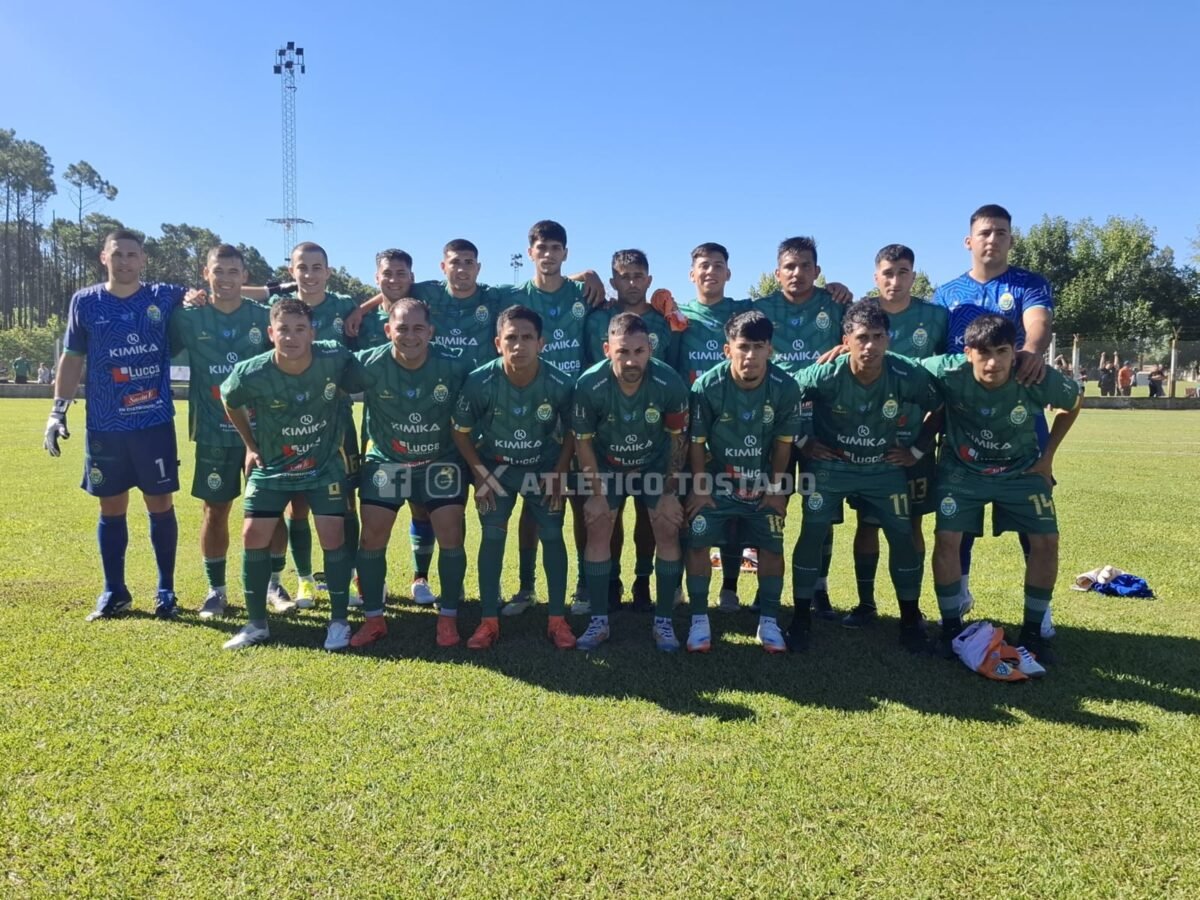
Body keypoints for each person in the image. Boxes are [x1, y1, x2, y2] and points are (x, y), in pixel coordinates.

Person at [43, 229, 188, 620]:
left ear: (143, 260)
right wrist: (58, 410)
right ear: (103, 257)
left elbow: (222, 286)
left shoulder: (163, 295)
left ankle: (166, 591)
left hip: (153, 420)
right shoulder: (85, 302)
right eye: (118, 254)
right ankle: (114, 591)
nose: (125, 261)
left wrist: (279, 285)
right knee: (111, 506)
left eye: (132, 255)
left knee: (160, 503)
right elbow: (73, 358)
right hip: (105, 424)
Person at [922, 315, 1081, 664]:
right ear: (967, 353)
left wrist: (1048, 456)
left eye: (1002, 352)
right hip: (961, 470)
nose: (992, 362)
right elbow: (896, 364)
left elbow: (1074, 402)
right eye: (983, 353)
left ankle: (1033, 632)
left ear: (1014, 353)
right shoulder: (947, 370)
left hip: (1022, 471)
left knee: (1046, 541)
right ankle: (950, 628)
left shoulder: (1033, 374)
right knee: (947, 538)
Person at [788, 300, 939, 653]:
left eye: (877, 337)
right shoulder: (825, 373)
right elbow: (783, 398)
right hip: (831, 467)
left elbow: (943, 404)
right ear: (846, 339)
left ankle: (909, 620)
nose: (869, 345)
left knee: (903, 537)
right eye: (861, 337)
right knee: (811, 531)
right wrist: (803, 441)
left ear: (888, 339)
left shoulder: (905, 373)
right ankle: (799, 618)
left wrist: (916, 450)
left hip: (882, 468)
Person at [219, 299, 367, 650]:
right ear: (271, 333)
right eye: (283, 329)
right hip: (273, 467)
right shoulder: (250, 371)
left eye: (300, 329)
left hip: (322, 466)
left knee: (333, 535)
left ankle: (339, 621)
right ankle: (256, 624)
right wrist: (251, 446)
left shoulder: (332, 356)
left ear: (312, 333)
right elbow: (230, 400)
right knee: (253, 534)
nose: (291, 336)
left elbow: (363, 370)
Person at [932, 204, 1055, 628]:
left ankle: (1041, 613)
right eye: (985, 232)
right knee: (956, 514)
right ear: (969, 240)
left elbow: (1037, 324)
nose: (993, 239)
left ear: (1010, 239)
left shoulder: (1027, 284)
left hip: (1019, 415)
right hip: (962, 418)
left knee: (1033, 511)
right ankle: (959, 592)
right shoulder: (947, 295)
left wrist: (1031, 353)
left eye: (1001, 233)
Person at [168, 244, 291, 618]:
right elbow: (161, 350)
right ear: (206, 275)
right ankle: (216, 591)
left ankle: (274, 585)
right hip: (213, 431)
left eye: (233, 272)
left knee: (271, 509)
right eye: (218, 272)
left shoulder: (263, 316)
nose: (225, 279)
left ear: (245, 277)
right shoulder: (189, 318)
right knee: (216, 509)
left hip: (264, 431)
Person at [451, 305, 577, 650]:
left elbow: (573, 431)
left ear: (542, 343)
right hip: (496, 469)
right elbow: (460, 433)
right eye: (511, 338)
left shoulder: (560, 383)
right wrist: (480, 475)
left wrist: (560, 471)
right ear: (497, 343)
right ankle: (488, 621)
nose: (518, 345)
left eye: (526, 338)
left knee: (553, 535)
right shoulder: (480, 381)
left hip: (542, 468)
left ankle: (557, 620)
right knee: (492, 538)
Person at [350, 298, 471, 648]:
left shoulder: (455, 366)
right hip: (387, 461)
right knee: (372, 537)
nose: (410, 335)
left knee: (451, 533)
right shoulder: (367, 364)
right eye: (401, 327)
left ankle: (447, 617)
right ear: (388, 329)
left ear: (431, 332)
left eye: (418, 328)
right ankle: (374, 619)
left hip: (439, 461)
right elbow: (321, 367)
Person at [684, 309, 802, 654]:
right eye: (743, 346)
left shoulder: (784, 387)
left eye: (759, 347)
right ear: (728, 349)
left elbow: (784, 445)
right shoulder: (707, 386)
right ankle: (698, 619)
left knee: (772, 543)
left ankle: (768, 620)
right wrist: (701, 487)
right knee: (698, 537)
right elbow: (696, 443)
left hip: (762, 483)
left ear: (770, 350)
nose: (750, 355)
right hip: (717, 485)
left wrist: (777, 490)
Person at [572, 312, 690, 650]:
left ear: (649, 350)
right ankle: (598, 621)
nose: (631, 360)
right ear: (608, 349)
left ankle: (664, 622)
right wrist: (596, 494)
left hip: (654, 464)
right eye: (623, 351)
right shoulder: (588, 385)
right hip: (607, 466)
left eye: (639, 351)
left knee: (667, 525)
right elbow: (583, 442)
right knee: (597, 524)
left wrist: (669, 493)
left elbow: (678, 440)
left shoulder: (670, 383)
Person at [846, 245, 949, 629]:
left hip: (914, 441)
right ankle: (865, 603)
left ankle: (912, 606)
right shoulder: (860, 313)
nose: (895, 280)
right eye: (887, 273)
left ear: (913, 275)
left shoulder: (935, 317)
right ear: (876, 277)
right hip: (868, 443)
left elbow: (947, 385)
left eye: (902, 272)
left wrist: (921, 444)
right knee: (867, 524)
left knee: (912, 526)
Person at [752, 237, 849, 619]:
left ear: (817, 271)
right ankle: (765, 589)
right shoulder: (759, 310)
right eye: (789, 267)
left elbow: (856, 339)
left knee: (818, 511)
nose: (797, 273)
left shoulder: (835, 305)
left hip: (822, 427)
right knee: (766, 506)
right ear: (777, 273)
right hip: (768, 425)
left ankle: (817, 589)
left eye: (805, 265)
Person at [578, 249, 678, 614]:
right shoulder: (597, 317)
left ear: (649, 280)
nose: (632, 282)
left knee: (654, 518)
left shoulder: (666, 319)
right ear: (613, 280)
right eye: (624, 276)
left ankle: (643, 580)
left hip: (653, 432)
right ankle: (610, 581)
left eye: (638, 275)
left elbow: (676, 367)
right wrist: (582, 274)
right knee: (605, 515)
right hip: (607, 431)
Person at [272, 242, 364, 609]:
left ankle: (355, 577)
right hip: (292, 425)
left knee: (347, 502)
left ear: (328, 271)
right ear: (291, 272)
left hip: (338, 422)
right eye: (302, 267)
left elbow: (383, 299)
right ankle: (305, 580)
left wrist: (364, 307)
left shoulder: (343, 306)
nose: (309, 274)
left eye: (316, 267)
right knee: (298, 505)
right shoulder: (276, 310)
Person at [670, 243, 754, 609]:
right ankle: (678, 587)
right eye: (703, 266)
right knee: (688, 508)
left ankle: (730, 588)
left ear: (728, 274)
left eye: (718, 266)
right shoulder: (676, 314)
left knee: (735, 508)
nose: (710, 272)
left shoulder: (743, 312)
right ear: (692, 274)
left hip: (736, 426)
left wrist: (834, 289)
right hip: (691, 427)